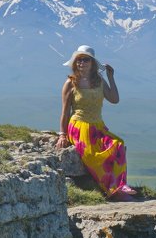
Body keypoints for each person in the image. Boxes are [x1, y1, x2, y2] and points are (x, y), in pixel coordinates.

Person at [57, 45, 138, 201]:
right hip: (79, 126)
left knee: (118, 144)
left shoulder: (99, 81)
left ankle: (120, 184)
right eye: (79, 60)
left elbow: (114, 99)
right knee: (92, 154)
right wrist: (62, 134)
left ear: (92, 63)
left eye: (86, 59)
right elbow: (65, 111)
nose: (82, 63)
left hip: (98, 125)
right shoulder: (70, 83)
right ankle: (111, 188)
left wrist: (111, 77)